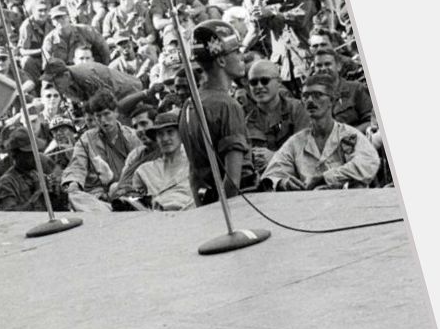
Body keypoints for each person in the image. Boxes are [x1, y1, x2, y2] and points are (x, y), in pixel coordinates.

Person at [258, 73, 381, 190]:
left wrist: (324, 178)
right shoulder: (296, 142)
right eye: (305, 96)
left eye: (317, 95)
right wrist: (283, 183)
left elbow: (368, 163)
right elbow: (271, 175)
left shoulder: (349, 135)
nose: (310, 101)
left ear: (332, 101)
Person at [179, 20, 250, 206]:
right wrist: (221, 215)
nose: (242, 56)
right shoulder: (228, 106)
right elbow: (233, 181)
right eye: (236, 52)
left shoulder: (189, 103)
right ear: (221, 60)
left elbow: (194, 174)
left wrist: (207, 213)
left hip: (206, 203)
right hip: (240, 204)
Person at [123, 110, 194, 211]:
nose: (165, 138)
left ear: (180, 134)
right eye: (160, 134)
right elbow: (134, 200)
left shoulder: (193, 164)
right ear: (156, 138)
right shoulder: (144, 171)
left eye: (170, 132)